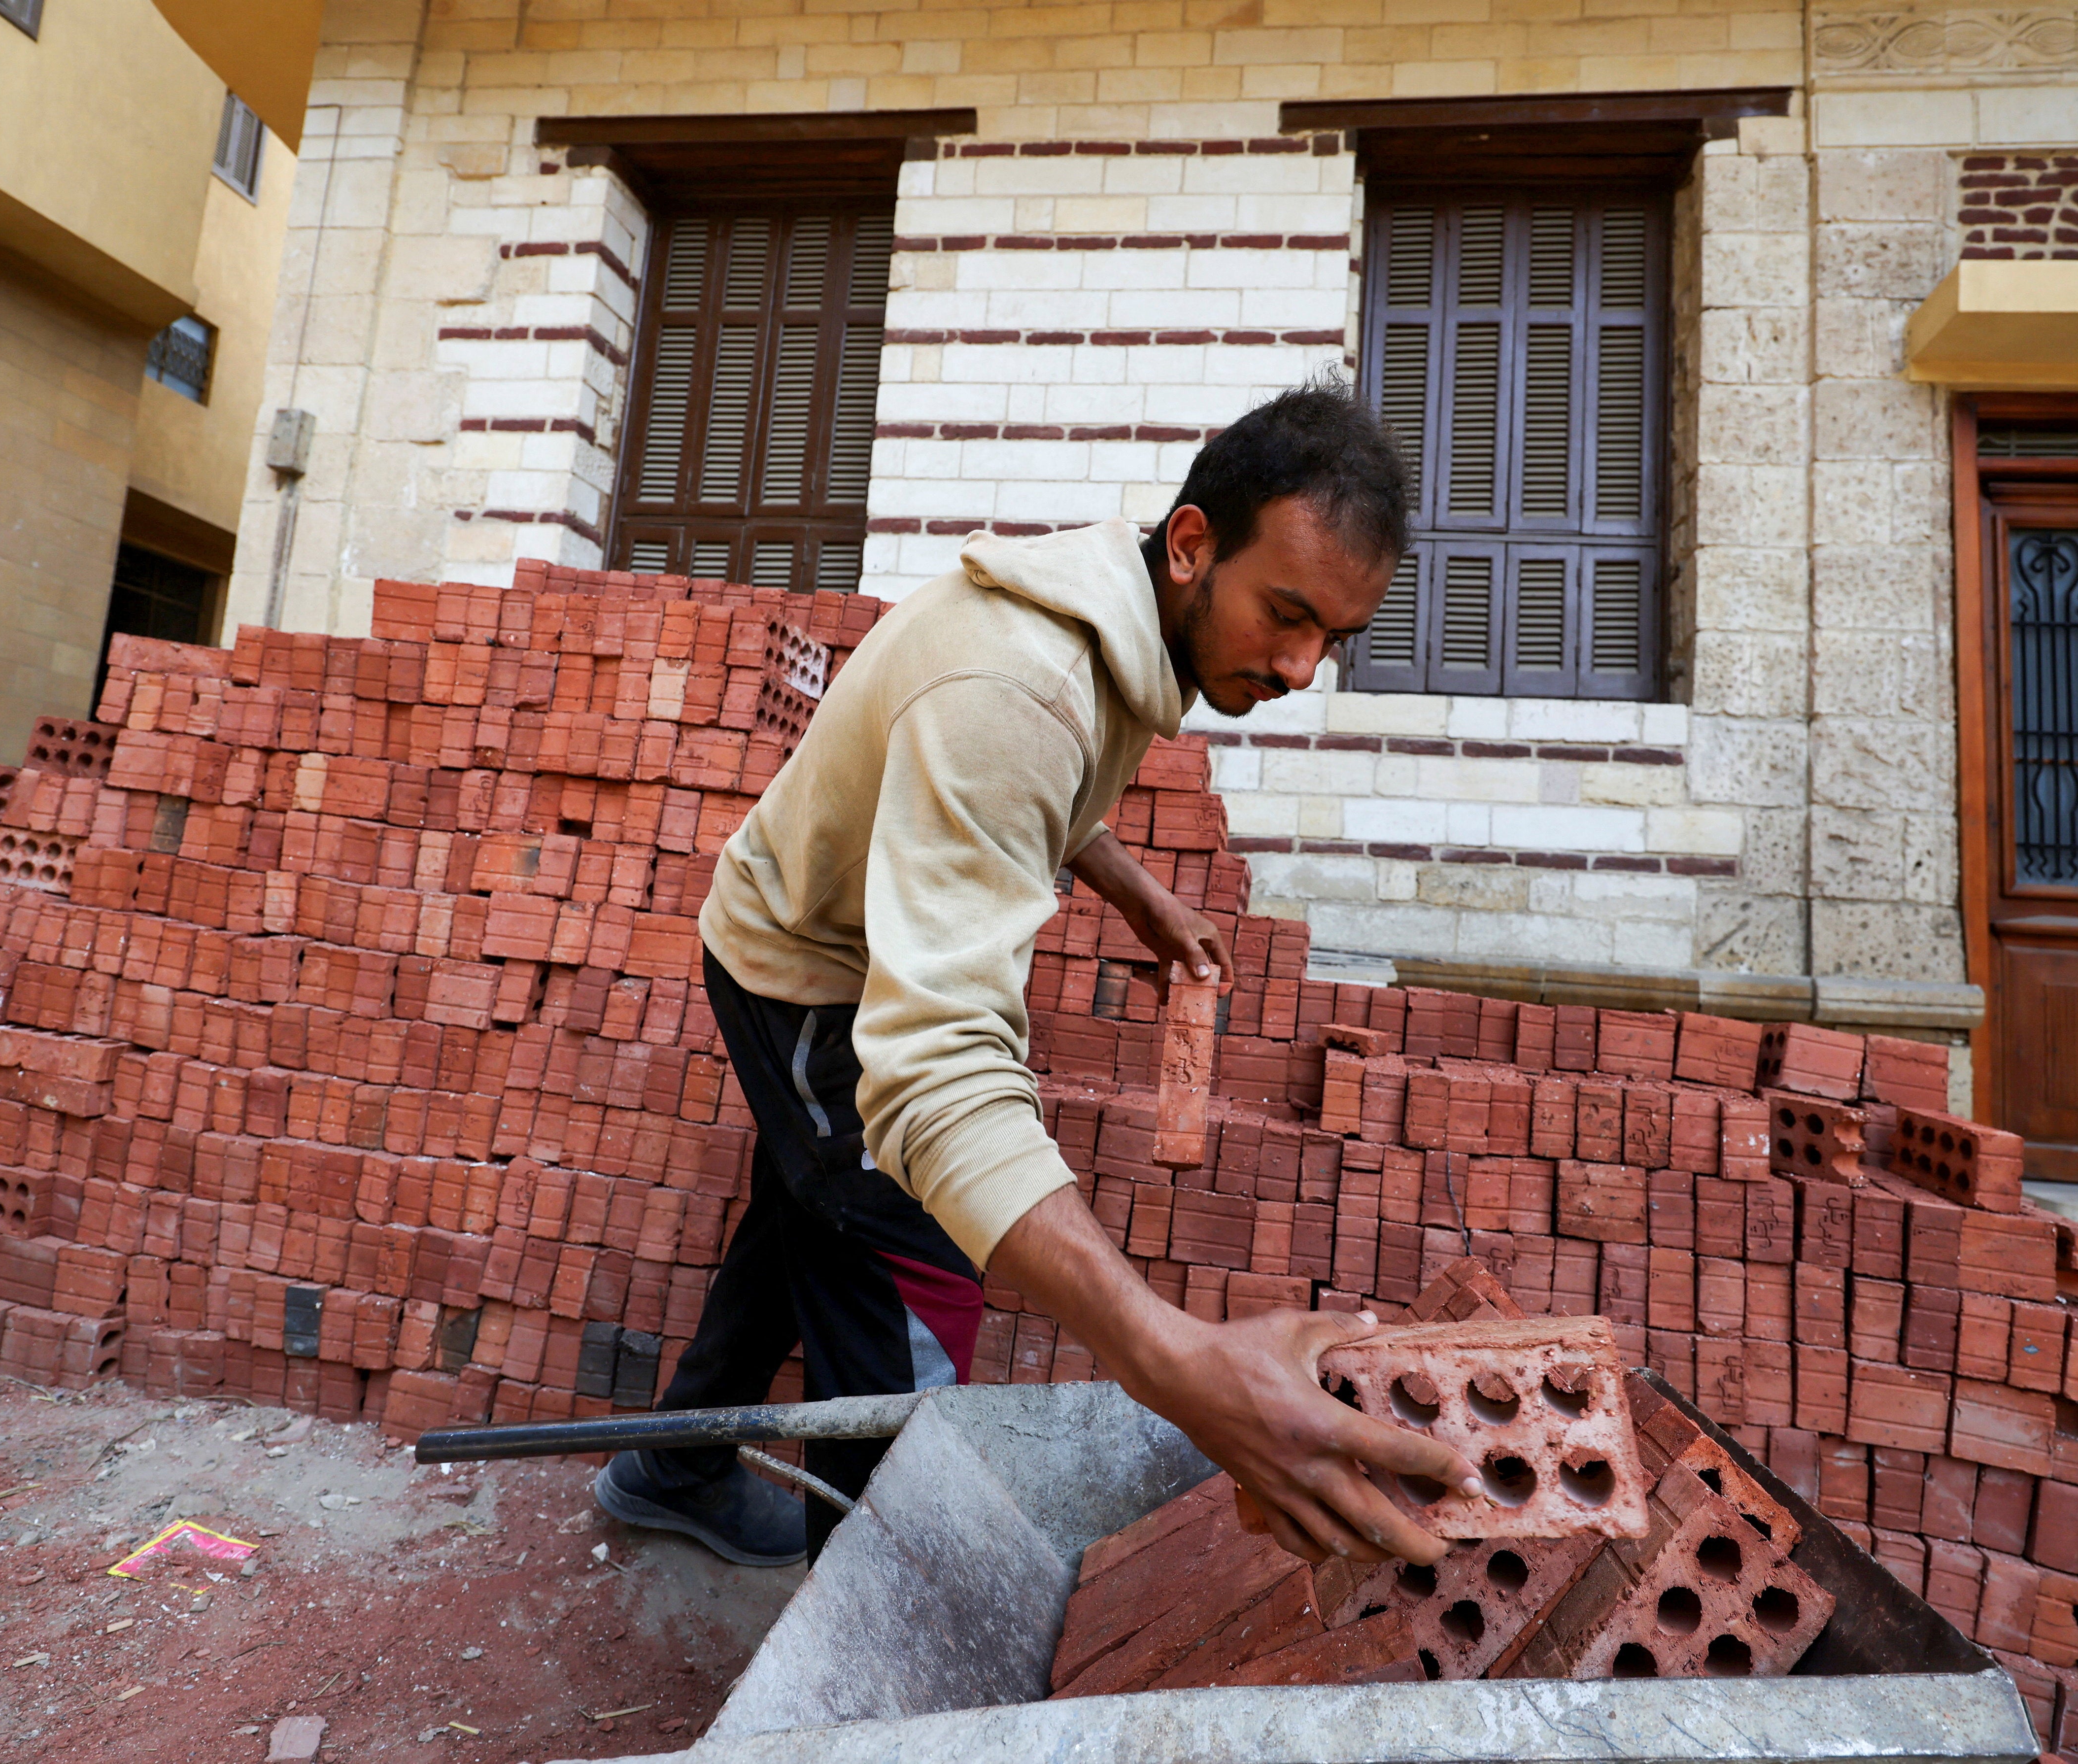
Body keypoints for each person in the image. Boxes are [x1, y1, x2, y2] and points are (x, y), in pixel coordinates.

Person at [593, 382, 1480, 1570]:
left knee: (811, 1210)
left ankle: (674, 1465)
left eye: (1333, 636)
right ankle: (878, 1619)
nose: (1302, 665)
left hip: (831, 938)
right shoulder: (1019, 682)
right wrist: (1174, 1362)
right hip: (806, 976)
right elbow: (936, 1076)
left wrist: (1135, 892)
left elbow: (1038, 785)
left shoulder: (1111, 623)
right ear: (1190, 544)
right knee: (909, 1263)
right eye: (1285, 613)